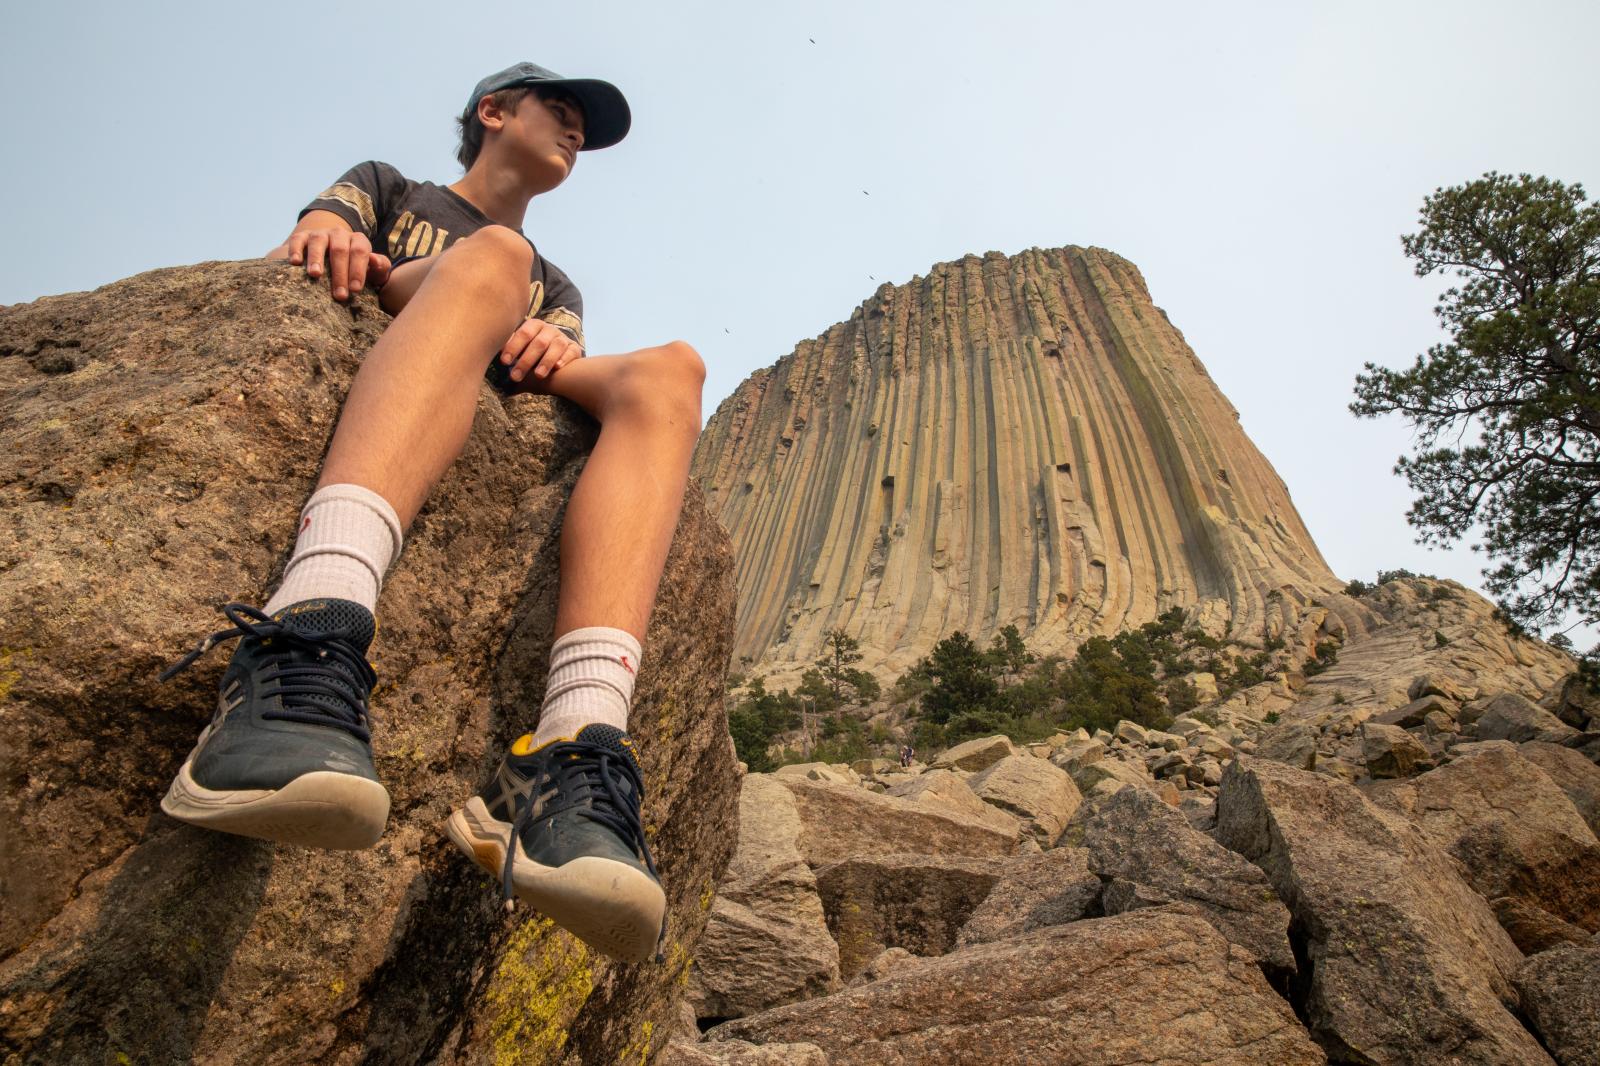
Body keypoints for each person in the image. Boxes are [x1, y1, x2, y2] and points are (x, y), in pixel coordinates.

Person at [157, 63, 702, 964]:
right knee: (497, 256)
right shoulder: (390, 188)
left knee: (673, 368)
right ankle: (310, 626)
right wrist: (328, 229)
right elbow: (311, 244)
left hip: (498, 333)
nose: (574, 134)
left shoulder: (556, 285)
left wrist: (548, 336)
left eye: (581, 128)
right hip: (419, 304)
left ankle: (569, 759)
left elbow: (553, 358)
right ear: (494, 113)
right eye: (558, 113)